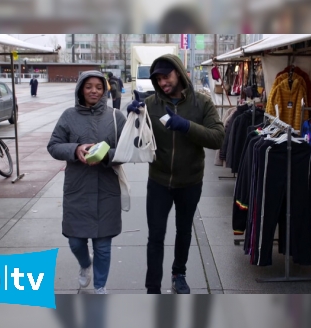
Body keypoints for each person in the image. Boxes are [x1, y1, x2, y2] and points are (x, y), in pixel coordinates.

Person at [127, 54, 224, 294]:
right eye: (157, 79)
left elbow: (218, 137)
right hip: (158, 181)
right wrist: (131, 117)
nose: (162, 83)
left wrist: (187, 126)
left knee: (183, 231)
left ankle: (179, 273)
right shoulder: (151, 104)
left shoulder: (202, 103)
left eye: (166, 76)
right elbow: (136, 138)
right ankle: (152, 286)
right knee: (156, 235)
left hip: (190, 181)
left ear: (179, 73)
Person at [47, 70, 127, 294]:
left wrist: (106, 155)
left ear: (105, 90)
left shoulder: (116, 117)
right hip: (78, 188)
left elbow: (127, 151)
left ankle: (100, 287)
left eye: (99, 87)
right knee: (75, 241)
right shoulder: (68, 116)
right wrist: (75, 149)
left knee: (103, 246)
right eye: (89, 86)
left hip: (106, 188)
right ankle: (85, 264)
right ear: (81, 89)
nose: (94, 91)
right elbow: (53, 146)